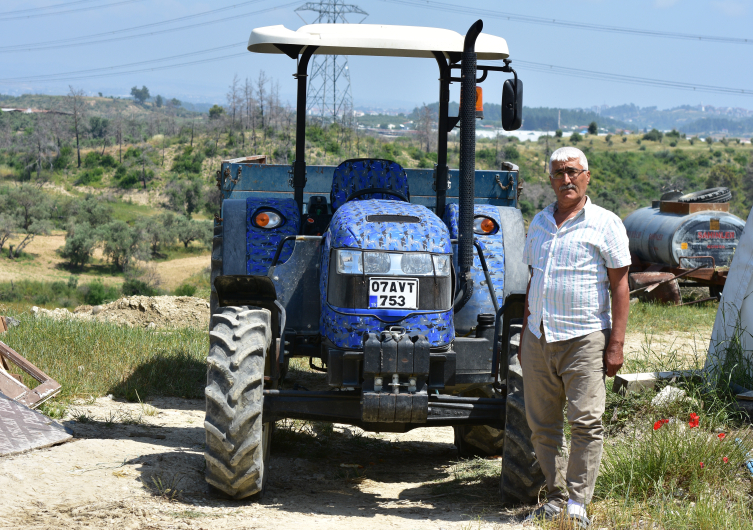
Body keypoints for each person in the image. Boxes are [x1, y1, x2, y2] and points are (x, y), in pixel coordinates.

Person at [521, 146, 630, 528]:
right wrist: (523, 336)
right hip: (539, 337)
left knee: (585, 422)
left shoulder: (605, 223)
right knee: (542, 424)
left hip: (584, 337)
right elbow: (534, 281)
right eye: (558, 173)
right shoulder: (538, 222)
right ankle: (554, 498)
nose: (565, 179)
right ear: (550, 179)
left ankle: (577, 505)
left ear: (587, 176)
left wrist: (615, 343)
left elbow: (620, 287)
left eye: (573, 172)